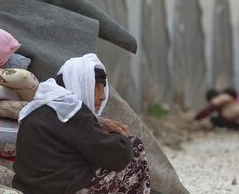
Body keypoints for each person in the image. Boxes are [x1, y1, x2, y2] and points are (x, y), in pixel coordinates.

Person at [12, 54, 150, 194]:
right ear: (79, 84)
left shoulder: (42, 107)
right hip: (63, 189)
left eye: (103, 88)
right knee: (134, 146)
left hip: (30, 188)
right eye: (96, 87)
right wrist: (118, 133)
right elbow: (119, 156)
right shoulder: (72, 111)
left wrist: (96, 125)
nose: (102, 96)